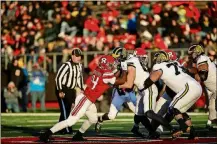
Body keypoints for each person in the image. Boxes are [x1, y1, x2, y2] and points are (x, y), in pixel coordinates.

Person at [39, 55, 127, 142]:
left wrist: (118, 69)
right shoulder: (107, 75)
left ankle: (78, 135)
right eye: (111, 64)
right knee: (70, 121)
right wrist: (124, 69)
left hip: (89, 100)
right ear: (106, 64)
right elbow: (121, 81)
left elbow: (111, 76)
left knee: (93, 119)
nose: (112, 65)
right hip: (85, 99)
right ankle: (46, 134)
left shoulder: (98, 68)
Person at [142, 51, 202, 139]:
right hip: (194, 87)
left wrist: (142, 86)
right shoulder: (176, 64)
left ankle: (181, 128)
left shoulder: (159, 66)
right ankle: (192, 132)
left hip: (187, 88)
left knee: (172, 109)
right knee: (178, 110)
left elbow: (152, 79)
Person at [95, 49, 137, 134]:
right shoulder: (114, 64)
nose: (115, 60)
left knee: (138, 111)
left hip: (129, 91)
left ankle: (136, 128)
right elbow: (115, 79)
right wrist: (121, 69)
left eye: (117, 58)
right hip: (119, 91)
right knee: (111, 116)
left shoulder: (132, 60)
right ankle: (100, 120)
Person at [55, 48, 84, 134]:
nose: (78, 58)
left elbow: (79, 78)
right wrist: (60, 90)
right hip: (63, 88)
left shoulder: (79, 65)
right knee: (64, 110)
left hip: (71, 90)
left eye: (80, 56)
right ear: (72, 56)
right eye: (77, 56)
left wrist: (82, 88)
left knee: (68, 110)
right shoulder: (66, 65)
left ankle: (59, 128)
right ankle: (67, 128)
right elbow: (58, 78)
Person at [188, 44, 217, 125]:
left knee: (214, 107)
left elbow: (203, 76)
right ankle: (211, 123)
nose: (190, 56)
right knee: (212, 109)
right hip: (213, 88)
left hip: (215, 86)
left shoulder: (202, 58)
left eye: (192, 54)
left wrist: (190, 71)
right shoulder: (203, 58)